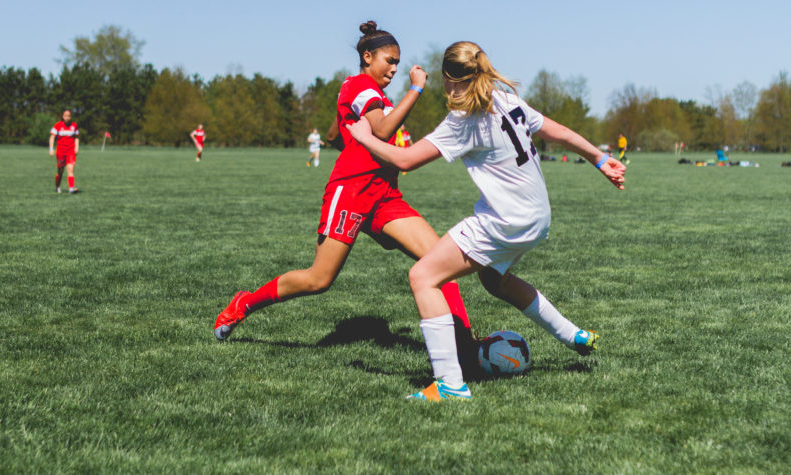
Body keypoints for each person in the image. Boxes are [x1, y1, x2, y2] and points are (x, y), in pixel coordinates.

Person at [347, 41, 626, 401]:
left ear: (450, 79)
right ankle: (574, 335)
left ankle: (449, 384)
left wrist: (364, 137)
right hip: (537, 218)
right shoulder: (507, 100)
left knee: (423, 277)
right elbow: (557, 130)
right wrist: (600, 160)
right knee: (495, 280)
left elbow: (405, 161)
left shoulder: (465, 120)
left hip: (505, 220)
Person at [213, 22, 473, 357]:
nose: (394, 68)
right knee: (318, 280)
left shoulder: (369, 93)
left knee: (441, 264)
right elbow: (380, 131)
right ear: (368, 57)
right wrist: (416, 90)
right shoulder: (360, 85)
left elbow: (337, 133)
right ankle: (244, 303)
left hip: (384, 196)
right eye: (389, 60)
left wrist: (346, 139)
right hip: (350, 194)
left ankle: (467, 350)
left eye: (397, 62)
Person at [48, 110, 80, 193]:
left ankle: (71, 189)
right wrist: (51, 149)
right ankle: (58, 186)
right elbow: (52, 137)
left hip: (70, 151)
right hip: (61, 151)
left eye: (69, 116)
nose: (67, 117)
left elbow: (76, 137)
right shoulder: (58, 125)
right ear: (62, 116)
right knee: (60, 170)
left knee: (70, 169)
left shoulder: (74, 125)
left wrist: (76, 147)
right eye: (65, 116)